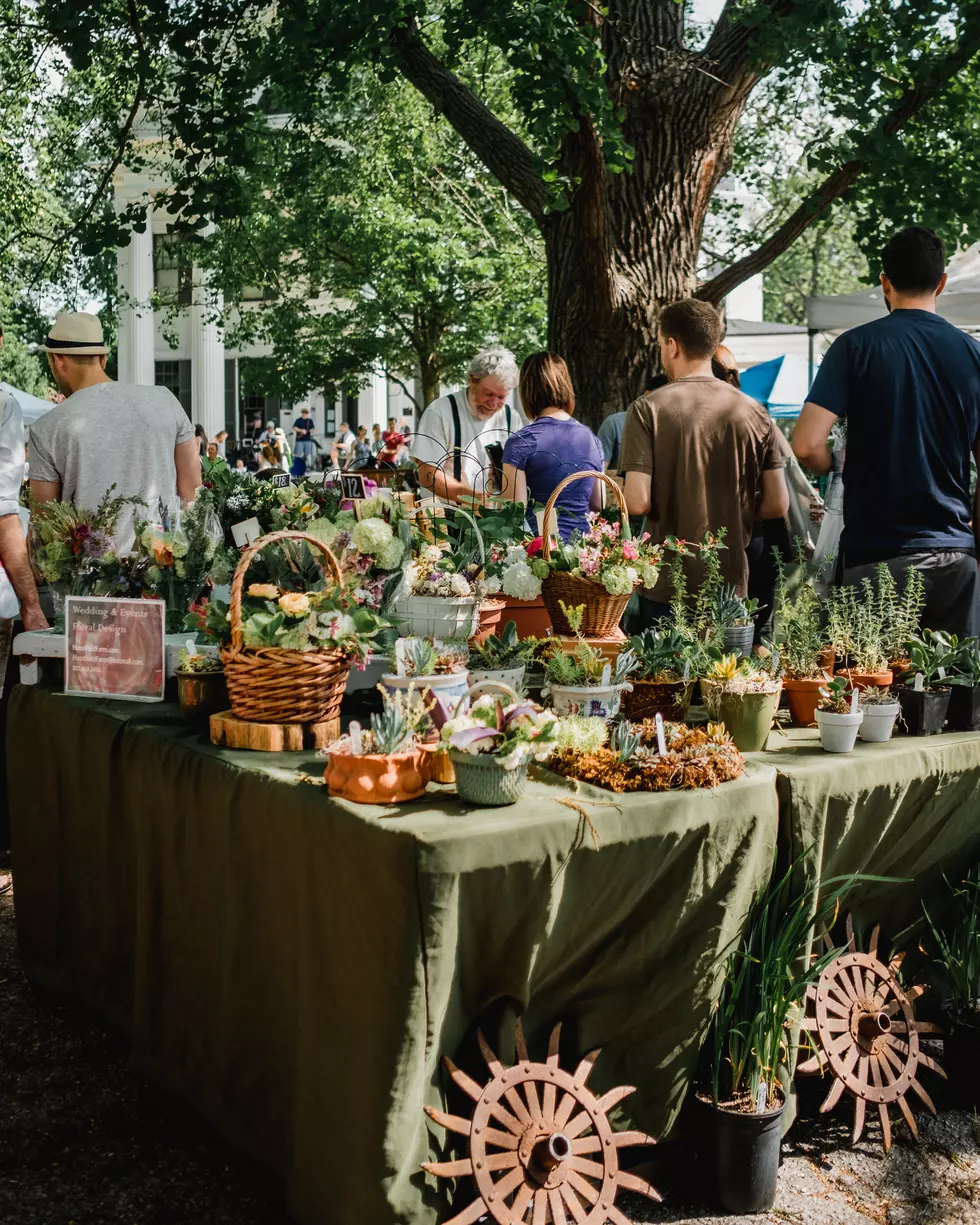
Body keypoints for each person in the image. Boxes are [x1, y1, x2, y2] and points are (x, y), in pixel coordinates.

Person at [793, 225, 980, 638]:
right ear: (942, 282)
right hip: (953, 555)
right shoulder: (972, 353)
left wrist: (837, 463)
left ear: (885, 281)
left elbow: (806, 445)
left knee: (874, 689)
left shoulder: (855, 347)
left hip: (875, 552)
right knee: (955, 689)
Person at [622, 299, 789, 626]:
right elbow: (776, 504)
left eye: (659, 344)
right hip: (730, 581)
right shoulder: (755, 412)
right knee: (724, 675)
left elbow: (637, 501)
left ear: (672, 346)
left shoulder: (647, 409)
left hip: (666, 584)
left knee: (662, 676)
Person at [29, 312, 200, 551]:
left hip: (88, 581)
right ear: (103, 359)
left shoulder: (46, 428)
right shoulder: (165, 400)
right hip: (165, 571)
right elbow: (193, 493)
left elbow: (45, 527)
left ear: (57, 360)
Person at [501, 352, 604, 540]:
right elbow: (597, 502)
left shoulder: (522, 441)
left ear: (527, 391)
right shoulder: (592, 439)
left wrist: (498, 485)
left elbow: (514, 512)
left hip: (541, 552)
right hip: (586, 554)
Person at [411, 348, 523, 503]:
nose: (493, 403)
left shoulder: (511, 418)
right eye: (489, 394)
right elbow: (427, 475)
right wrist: (468, 496)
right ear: (471, 379)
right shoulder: (440, 412)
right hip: (445, 518)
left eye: (501, 397)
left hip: (495, 520)